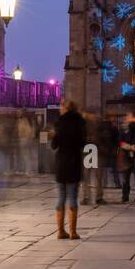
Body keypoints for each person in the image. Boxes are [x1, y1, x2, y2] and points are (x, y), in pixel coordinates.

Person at [51, 100, 87, 239]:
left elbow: (54, 145)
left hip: (61, 164)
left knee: (61, 197)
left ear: (65, 108)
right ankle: (73, 232)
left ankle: (60, 231)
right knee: (73, 197)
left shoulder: (59, 123)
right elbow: (83, 143)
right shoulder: (80, 122)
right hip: (74, 163)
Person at [94, 113, 118, 204]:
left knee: (99, 176)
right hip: (101, 153)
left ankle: (96, 196)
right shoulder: (110, 127)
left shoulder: (101, 127)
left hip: (98, 152)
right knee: (100, 175)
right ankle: (98, 196)